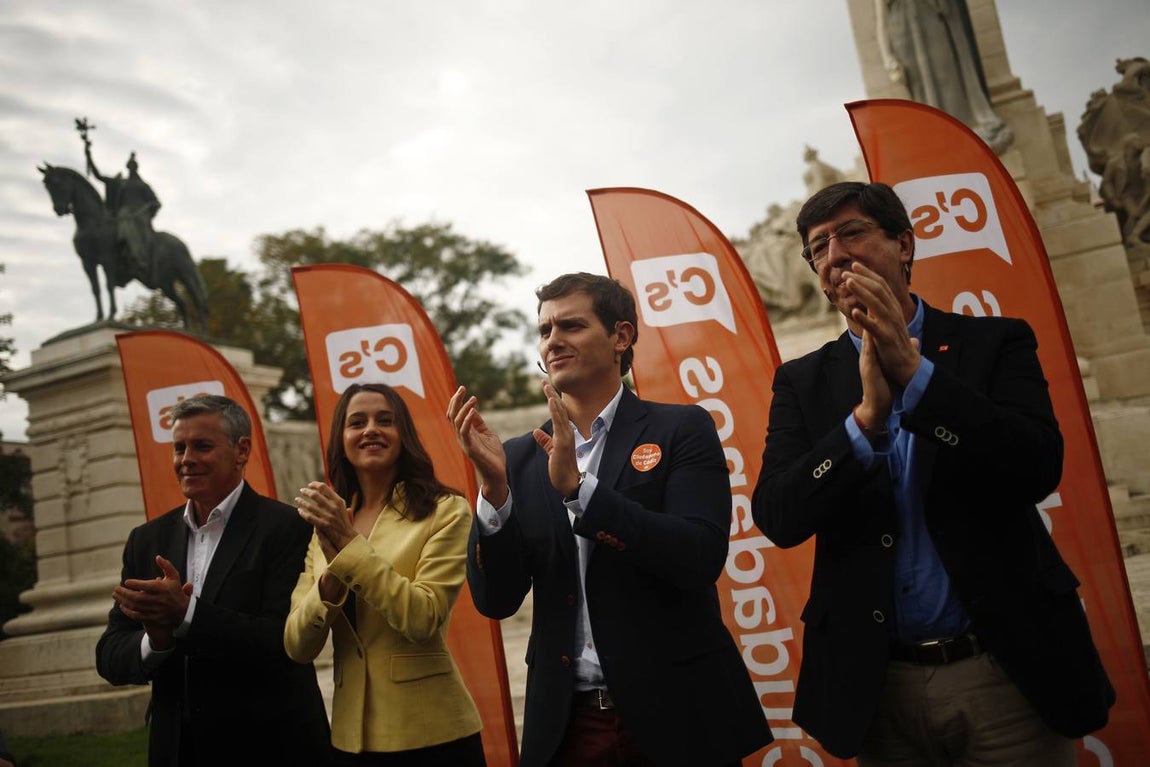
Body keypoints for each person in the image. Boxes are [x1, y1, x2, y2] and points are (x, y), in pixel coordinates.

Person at [751, 181, 1115, 764]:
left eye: (851, 234)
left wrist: (919, 379)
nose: (835, 254)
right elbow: (778, 515)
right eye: (818, 247)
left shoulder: (995, 342)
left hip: (1003, 674)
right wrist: (863, 423)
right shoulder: (803, 382)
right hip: (879, 686)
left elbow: (1036, 466)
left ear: (904, 246)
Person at [448, 272, 773, 767]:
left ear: (621, 336)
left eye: (571, 325)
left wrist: (582, 493)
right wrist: (494, 496)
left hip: (680, 715)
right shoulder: (517, 458)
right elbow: (496, 600)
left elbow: (698, 556)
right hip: (568, 726)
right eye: (544, 330)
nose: (553, 339)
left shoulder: (681, 427)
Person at [95, 394, 332, 767]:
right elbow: (109, 655)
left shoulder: (289, 528)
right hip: (178, 750)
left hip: (272, 746)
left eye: (201, 446)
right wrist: (155, 639)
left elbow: (284, 641)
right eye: (179, 448)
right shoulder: (146, 540)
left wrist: (186, 614)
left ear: (241, 451)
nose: (186, 459)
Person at [286, 382, 485, 766]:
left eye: (385, 420)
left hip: (433, 735)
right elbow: (297, 645)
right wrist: (330, 580)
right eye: (356, 422)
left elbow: (423, 617)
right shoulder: (327, 525)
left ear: (403, 435)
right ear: (341, 439)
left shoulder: (445, 511)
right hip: (349, 738)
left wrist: (348, 547)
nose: (371, 429)